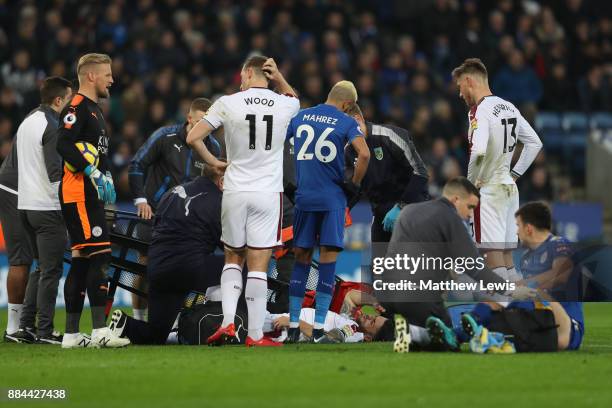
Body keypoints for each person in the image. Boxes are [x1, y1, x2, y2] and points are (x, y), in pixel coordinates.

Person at [187, 55, 299, 347]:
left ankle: (226, 324)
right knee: (259, 265)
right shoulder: (285, 103)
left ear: (249, 73)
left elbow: (193, 137)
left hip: (235, 190)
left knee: (233, 258)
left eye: (242, 75)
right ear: (267, 73)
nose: (240, 80)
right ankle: (254, 335)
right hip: (267, 194)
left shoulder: (228, 102)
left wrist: (214, 163)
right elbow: (294, 98)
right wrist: (279, 77)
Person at [427, 202, 583, 352]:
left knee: (513, 296)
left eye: (518, 226)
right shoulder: (528, 257)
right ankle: (456, 337)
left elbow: (560, 276)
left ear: (529, 228)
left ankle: (476, 331)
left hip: (567, 327)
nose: (516, 232)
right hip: (539, 321)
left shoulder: (559, 243)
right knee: (493, 310)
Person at [284, 81, 370, 343]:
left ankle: (294, 324)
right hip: (332, 199)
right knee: (327, 262)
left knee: (301, 259)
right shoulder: (345, 122)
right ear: (346, 104)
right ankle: (320, 327)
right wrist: (353, 185)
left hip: (304, 197)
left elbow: (280, 145)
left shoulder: (300, 117)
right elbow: (364, 154)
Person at [380, 177, 508, 350]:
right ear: (455, 199)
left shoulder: (409, 211)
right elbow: (474, 268)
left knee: (430, 333)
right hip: (417, 297)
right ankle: (415, 334)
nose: (470, 214)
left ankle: (412, 332)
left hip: (388, 295)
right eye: (470, 207)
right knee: (450, 342)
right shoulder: (450, 217)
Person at [56, 53, 128, 348]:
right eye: (107, 74)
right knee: (100, 257)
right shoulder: (76, 107)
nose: (112, 79)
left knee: (83, 261)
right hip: (79, 193)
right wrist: (90, 171)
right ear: (91, 76)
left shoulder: (95, 111)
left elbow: (97, 154)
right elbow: (63, 143)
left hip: (89, 192)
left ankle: (72, 335)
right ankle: (100, 331)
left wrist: (106, 176)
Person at [127, 97, 221, 321]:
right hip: (155, 213)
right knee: (144, 264)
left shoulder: (213, 147)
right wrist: (141, 200)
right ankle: (140, 318)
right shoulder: (165, 137)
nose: (203, 129)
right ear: (189, 118)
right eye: (199, 122)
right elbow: (137, 164)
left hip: (188, 221)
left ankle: (177, 319)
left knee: (187, 266)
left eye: (208, 124)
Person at [108, 168, 224, 345]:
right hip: (189, 266)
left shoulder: (173, 192)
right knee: (236, 267)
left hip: (158, 266)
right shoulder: (219, 199)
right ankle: (244, 324)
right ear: (221, 181)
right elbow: (226, 243)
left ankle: (125, 324)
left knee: (156, 334)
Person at [452, 58, 542, 281]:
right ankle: (524, 309)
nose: (460, 94)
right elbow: (534, 143)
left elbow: (479, 151)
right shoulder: (508, 107)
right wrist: (514, 175)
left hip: (488, 191)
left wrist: (470, 187)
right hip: (509, 189)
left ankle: (504, 313)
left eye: (460, 87)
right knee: (508, 261)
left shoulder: (479, 111)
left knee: (492, 261)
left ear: (469, 81)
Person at [16, 76, 72, 344]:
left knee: (40, 269)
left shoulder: (28, 121)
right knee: (51, 271)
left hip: (25, 205)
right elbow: (54, 173)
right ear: (59, 100)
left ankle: (26, 326)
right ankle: (45, 330)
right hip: (47, 208)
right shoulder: (52, 125)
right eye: (69, 100)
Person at [344, 102, 429, 242]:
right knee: (378, 263)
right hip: (381, 214)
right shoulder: (348, 152)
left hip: (412, 206)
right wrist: (344, 210)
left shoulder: (390, 136)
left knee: (412, 262)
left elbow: (420, 173)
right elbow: (354, 187)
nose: (345, 136)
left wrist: (401, 206)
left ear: (358, 118)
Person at [0, 120, 34, 343]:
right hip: (16, 188)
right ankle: (13, 329)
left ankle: (24, 324)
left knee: (31, 259)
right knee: (21, 259)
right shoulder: (49, 121)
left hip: (27, 189)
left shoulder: (38, 119)